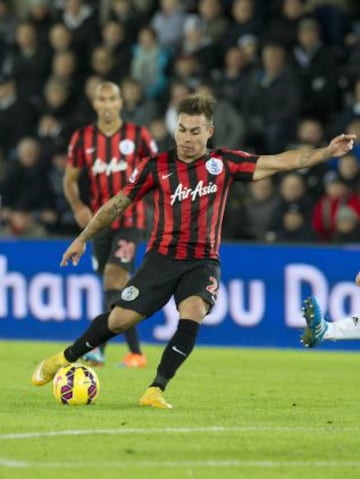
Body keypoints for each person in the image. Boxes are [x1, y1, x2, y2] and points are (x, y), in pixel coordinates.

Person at [31, 94, 355, 409]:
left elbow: (281, 161)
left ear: (209, 132)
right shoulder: (155, 166)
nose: (187, 138)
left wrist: (326, 153)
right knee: (119, 320)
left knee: (193, 312)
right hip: (161, 258)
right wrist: (83, 237)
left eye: (195, 131)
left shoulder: (223, 163)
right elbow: (117, 204)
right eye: (182, 130)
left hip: (203, 261)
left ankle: (156, 388)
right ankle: (62, 359)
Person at [63, 81, 157, 367]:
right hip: (100, 223)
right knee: (111, 286)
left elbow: (157, 172)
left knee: (114, 277)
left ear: (120, 103)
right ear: (95, 104)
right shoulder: (82, 139)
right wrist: (79, 207)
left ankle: (132, 354)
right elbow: (69, 180)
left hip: (131, 218)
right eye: (101, 99)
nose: (106, 104)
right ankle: (111, 351)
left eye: (111, 99)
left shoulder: (138, 136)